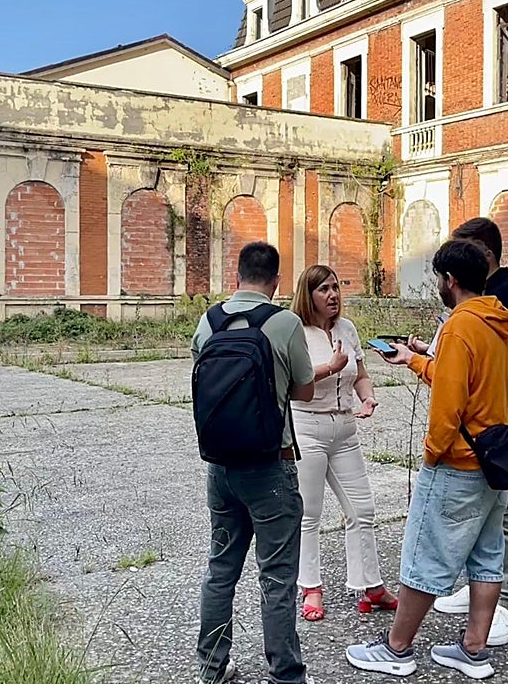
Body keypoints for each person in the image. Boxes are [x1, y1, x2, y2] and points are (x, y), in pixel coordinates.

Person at [346, 239, 508, 680]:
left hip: (456, 462)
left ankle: (397, 647)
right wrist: (416, 361)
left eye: (439, 279)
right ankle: (473, 649)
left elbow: (450, 405)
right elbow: (468, 377)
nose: (438, 286)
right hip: (493, 458)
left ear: (449, 280)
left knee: (425, 555)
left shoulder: (459, 326)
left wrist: (433, 453)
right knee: (486, 555)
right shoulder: (497, 320)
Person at [193, 242, 315, 684]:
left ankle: (212, 667)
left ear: (237, 275)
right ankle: (285, 674)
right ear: (277, 281)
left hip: (220, 468)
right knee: (278, 576)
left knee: (221, 567)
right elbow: (303, 391)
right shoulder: (285, 323)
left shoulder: (208, 322)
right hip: (270, 469)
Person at [424, 217, 508, 646]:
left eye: (467, 249)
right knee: (485, 516)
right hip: (480, 423)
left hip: (501, 424)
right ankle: (480, 592)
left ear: (486, 253)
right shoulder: (479, 296)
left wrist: (471, 360)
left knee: (505, 516)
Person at [290, 264, 398, 620]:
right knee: (309, 514)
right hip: (307, 426)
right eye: (324, 289)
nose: (333, 295)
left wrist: (367, 398)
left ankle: (371, 587)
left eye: (336, 287)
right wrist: (331, 367)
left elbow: (361, 375)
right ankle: (311, 587)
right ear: (309, 295)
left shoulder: (348, 329)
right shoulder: (296, 332)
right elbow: (294, 384)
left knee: (362, 509)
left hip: (345, 428)